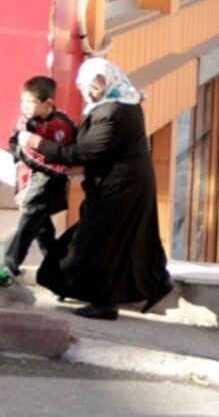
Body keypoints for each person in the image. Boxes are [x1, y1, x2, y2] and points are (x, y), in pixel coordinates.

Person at [18, 57, 172, 320]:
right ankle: (157, 282)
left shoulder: (112, 113)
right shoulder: (121, 102)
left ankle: (104, 302)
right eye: (84, 86)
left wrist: (37, 142)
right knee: (132, 239)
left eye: (93, 86)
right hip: (124, 183)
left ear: (106, 81)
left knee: (97, 244)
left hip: (119, 188)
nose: (88, 92)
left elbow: (82, 153)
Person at [2, 76, 77, 287]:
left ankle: (12, 267)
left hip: (51, 183)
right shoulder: (25, 123)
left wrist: (59, 166)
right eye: (23, 101)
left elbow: (71, 151)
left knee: (33, 222)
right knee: (37, 225)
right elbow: (24, 152)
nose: (25, 107)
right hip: (31, 180)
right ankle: (56, 274)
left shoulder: (64, 123)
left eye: (31, 102)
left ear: (48, 103)